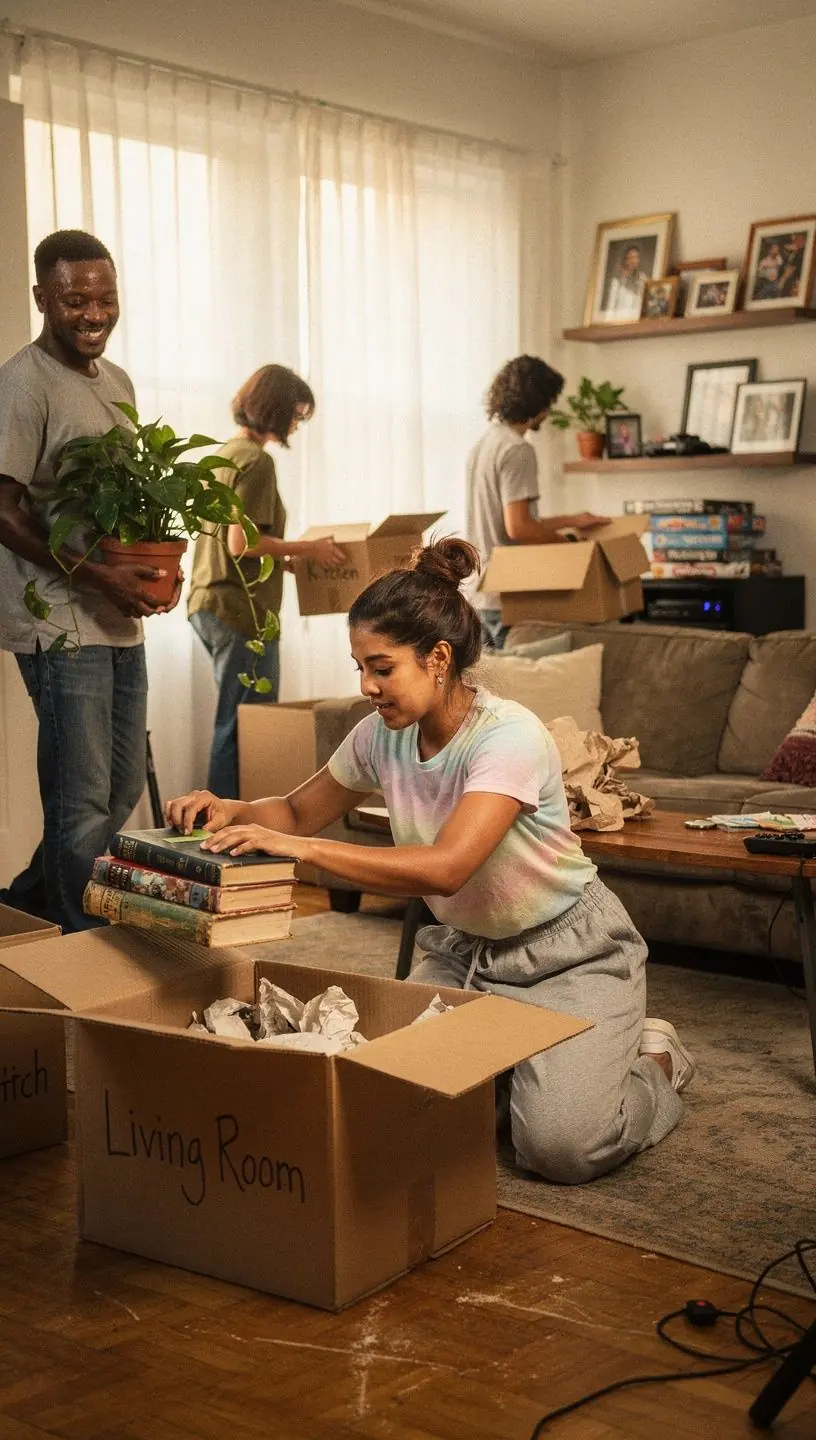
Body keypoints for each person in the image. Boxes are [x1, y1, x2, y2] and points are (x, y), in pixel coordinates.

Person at [165, 537, 694, 1186]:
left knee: (560, 1149)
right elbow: (298, 812)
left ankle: (654, 1062)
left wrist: (299, 851)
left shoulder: (508, 737)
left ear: (437, 658)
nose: (366, 686)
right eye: (359, 666)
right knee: (395, 1113)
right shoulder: (379, 737)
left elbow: (448, 868)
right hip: (460, 953)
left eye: (381, 668)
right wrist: (231, 808)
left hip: (568, 953)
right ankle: (525, 1070)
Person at [0, 229, 181, 933]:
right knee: (81, 799)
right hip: (57, 616)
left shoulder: (119, 382)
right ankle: (85, 943)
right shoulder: (23, 383)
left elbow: (127, 501)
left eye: (105, 299)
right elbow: (3, 508)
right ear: (43, 297)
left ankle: (24, 904)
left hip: (113, 608)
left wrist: (152, 561)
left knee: (122, 783)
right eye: (76, 300)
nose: (93, 314)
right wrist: (97, 573)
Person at [187, 364, 346, 798]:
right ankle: (221, 828)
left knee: (234, 721)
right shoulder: (257, 462)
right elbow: (242, 543)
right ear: (276, 410)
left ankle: (218, 824)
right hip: (242, 610)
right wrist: (308, 549)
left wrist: (286, 561)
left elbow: (230, 541)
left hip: (207, 602)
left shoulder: (224, 454)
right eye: (296, 414)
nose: (297, 424)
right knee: (243, 727)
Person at [466, 355, 608, 649]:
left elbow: (510, 518)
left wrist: (573, 520)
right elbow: (518, 527)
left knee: (487, 688)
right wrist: (569, 548)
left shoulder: (484, 444)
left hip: (479, 592)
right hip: (510, 593)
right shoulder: (518, 450)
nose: (549, 410)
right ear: (539, 401)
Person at [603, 243, 648, 317]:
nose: (635, 260)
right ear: (626, 260)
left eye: (637, 257)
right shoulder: (616, 282)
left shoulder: (643, 278)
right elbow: (610, 306)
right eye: (632, 257)